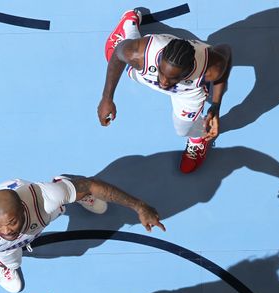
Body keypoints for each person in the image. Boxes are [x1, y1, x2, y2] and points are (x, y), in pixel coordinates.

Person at [0, 174, 165, 293]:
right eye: (0, 225)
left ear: (22, 210)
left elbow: (91, 185)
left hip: (34, 200)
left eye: (12, 222)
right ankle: (4, 267)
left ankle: (65, 183)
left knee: (69, 200)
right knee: (11, 266)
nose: (7, 230)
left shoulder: (45, 199)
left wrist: (139, 206)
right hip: (2, 245)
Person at [98, 9, 232, 173]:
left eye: (173, 78)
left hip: (186, 92)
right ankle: (129, 24)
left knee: (183, 129)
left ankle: (197, 140)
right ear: (160, 61)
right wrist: (107, 98)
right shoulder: (140, 54)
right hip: (146, 71)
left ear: (189, 70)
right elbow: (118, 57)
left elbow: (225, 51)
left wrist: (215, 106)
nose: (163, 82)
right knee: (112, 52)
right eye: (162, 73)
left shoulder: (210, 67)